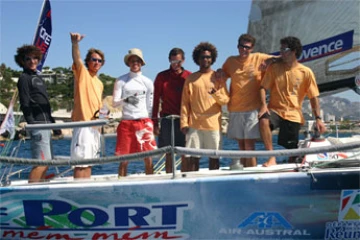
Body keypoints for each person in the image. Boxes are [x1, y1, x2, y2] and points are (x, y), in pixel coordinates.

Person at [259, 36, 327, 167]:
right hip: (275, 110)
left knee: (291, 150)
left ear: (294, 51)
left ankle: (292, 164)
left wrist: (318, 118)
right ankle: (271, 157)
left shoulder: (306, 72)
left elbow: (313, 97)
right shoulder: (274, 68)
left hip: (293, 114)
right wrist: (263, 106)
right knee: (263, 119)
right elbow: (263, 87)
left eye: (284, 49)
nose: (281, 52)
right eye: (281, 49)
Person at [218, 34, 280, 167]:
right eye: (241, 46)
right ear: (237, 46)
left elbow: (282, 58)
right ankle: (244, 173)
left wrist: (271, 61)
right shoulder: (230, 61)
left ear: (252, 48)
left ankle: (252, 173)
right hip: (234, 108)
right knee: (241, 146)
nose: (244, 49)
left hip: (253, 108)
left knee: (249, 145)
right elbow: (223, 75)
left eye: (247, 47)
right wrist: (219, 72)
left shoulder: (259, 57)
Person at [180, 42, 229, 171]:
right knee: (192, 158)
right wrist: (184, 123)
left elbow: (225, 100)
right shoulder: (190, 79)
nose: (205, 59)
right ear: (197, 59)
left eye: (208, 57)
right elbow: (185, 103)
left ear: (212, 59)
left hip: (213, 124)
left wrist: (215, 94)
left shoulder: (218, 77)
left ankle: (215, 187)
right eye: (202, 57)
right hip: (194, 124)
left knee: (214, 157)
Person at [15, 45, 57, 183]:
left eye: (35, 58)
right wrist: (31, 124)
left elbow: (45, 103)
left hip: (46, 124)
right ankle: (32, 191)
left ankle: (41, 185)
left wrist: (54, 125)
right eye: (28, 59)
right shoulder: (25, 78)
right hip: (37, 125)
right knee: (41, 161)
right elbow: (25, 102)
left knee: (48, 161)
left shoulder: (38, 78)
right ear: (22, 61)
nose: (32, 61)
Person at [112, 48, 156, 177]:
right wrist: (127, 100)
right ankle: (121, 184)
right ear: (128, 63)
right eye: (132, 61)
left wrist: (150, 122)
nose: (135, 63)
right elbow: (114, 102)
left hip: (144, 121)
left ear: (141, 63)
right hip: (126, 122)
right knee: (123, 159)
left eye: (137, 61)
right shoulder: (121, 81)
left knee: (148, 158)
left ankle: (151, 184)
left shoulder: (147, 82)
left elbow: (150, 105)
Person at [70, 32, 105, 178]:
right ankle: (76, 193)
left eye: (100, 60)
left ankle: (85, 191)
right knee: (80, 163)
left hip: (95, 127)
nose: (97, 62)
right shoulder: (82, 73)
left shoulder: (100, 82)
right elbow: (76, 59)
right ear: (88, 61)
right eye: (94, 59)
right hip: (83, 124)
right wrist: (75, 43)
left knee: (89, 162)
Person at [152, 48, 192, 173]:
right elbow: (155, 100)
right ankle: (169, 177)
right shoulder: (161, 77)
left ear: (183, 61)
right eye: (174, 61)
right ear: (169, 60)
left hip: (184, 119)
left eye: (179, 61)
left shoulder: (189, 76)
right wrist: (155, 122)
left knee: (185, 152)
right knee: (168, 152)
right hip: (167, 119)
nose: (176, 64)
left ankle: (185, 177)